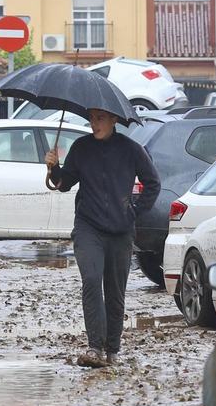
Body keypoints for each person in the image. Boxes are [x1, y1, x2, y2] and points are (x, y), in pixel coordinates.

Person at [45, 108, 160, 368]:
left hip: (121, 232)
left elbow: (153, 183)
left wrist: (133, 211)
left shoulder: (132, 149)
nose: (93, 123)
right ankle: (94, 347)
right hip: (88, 227)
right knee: (92, 280)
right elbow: (64, 184)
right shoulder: (82, 147)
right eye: (91, 119)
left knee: (115, 291)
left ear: (113, 119)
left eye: (99, 118)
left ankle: (112, 350)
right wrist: (54, 168)